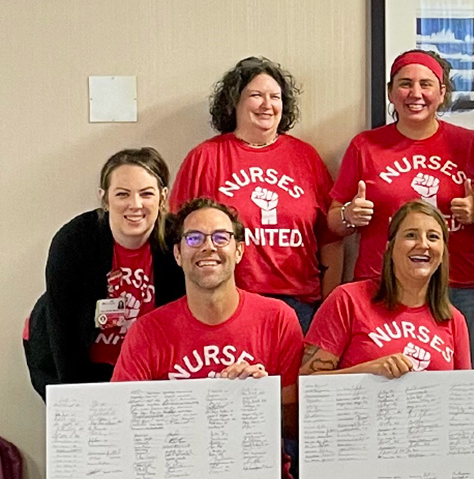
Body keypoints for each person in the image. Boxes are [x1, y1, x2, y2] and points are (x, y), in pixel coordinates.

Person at [331, 49, 474, 367]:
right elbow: (332, 223)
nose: (415, 94)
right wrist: (349, 214)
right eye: (405, 84)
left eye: (426, 84)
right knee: (384, 381)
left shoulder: (471, 145)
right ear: (390, 91)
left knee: (460, 390)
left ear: (442, 93)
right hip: (381, 288)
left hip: (458, 287)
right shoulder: (366, 146)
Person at [171, 56, 340, 332]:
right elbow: (179, 236)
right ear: (234, 101)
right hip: (228, 303)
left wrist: (327, 310)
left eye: (275, 96)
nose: (267, 104)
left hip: (298, 306)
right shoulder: (206, 157)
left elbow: (330, 240)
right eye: (256, 95)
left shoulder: (305, 157)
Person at [111, 198, 303, 436]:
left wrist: (258, 397)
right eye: (194, 238)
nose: (208, 246)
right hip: (177, 469)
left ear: (239, 250)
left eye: (221, 237)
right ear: (178, 254)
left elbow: (297, 428)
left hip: (258, 469)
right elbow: (122, 425)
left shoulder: (279, 320)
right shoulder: (147, 332)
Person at [25, 148, 185, 397]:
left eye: (146, 194)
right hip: (74, 356)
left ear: (163, 198)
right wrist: (73, 400)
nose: (135, 204)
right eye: (122, 194)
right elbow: (62, 330)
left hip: (146, 367)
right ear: (105, 199)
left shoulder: (178, 240)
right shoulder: (75, 240)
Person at [301, 200, 471, 375]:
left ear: (443, 252)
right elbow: (307, 385)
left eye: (433, 237)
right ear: (389, 248)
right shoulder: (348, 300)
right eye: (411, 235)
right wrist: (369, 371)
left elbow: (464, 395)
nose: (423, 244)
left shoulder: (454, 320)